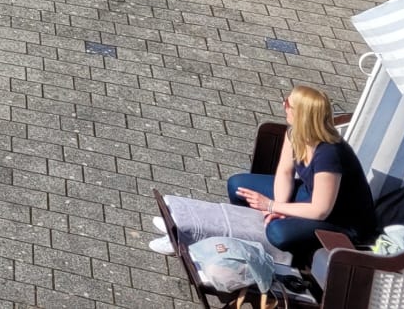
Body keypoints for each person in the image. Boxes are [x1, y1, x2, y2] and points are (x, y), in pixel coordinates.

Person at [149, 84, 377, 270]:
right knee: (238, 185)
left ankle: (215, 241)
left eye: (288, 103)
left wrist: (271, 205)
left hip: (342, 221)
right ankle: (189, 223)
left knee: (277, 233)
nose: (283, 105)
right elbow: (285, 172)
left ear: (302, 115)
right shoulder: (295, 133)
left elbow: (320, 210)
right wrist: (278, 206)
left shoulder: (329, 154)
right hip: (309, 197)